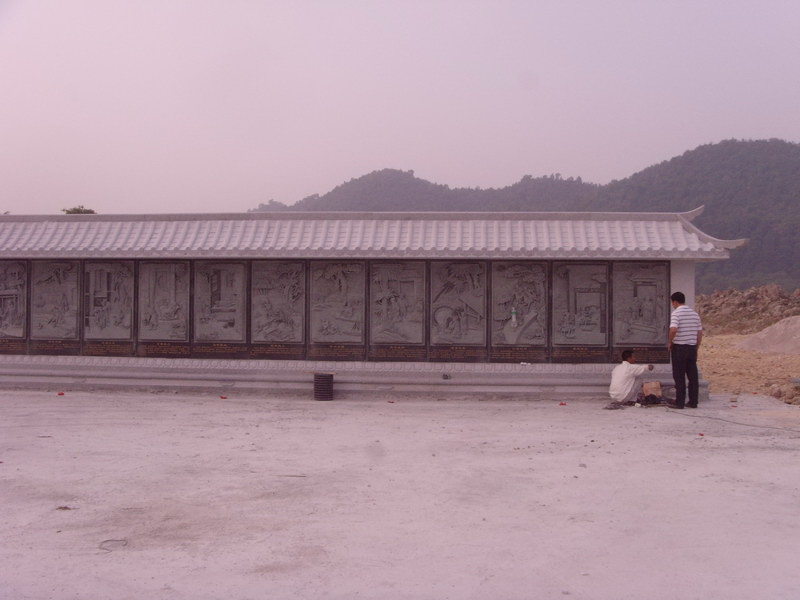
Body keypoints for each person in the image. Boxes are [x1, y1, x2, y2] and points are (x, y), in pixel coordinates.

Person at [667, 291, 703, 409]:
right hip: (692, 348)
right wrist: (696, 346)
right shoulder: (694, 314)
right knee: (692, 376)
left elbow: (673, 329)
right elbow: (699, 332)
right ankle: (693, 402)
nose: (672, 305)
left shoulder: (676, 313)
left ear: (674, 302)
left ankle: (680, 402)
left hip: (679, 348)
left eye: (672, 303)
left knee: (679, 376)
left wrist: (670, 341)